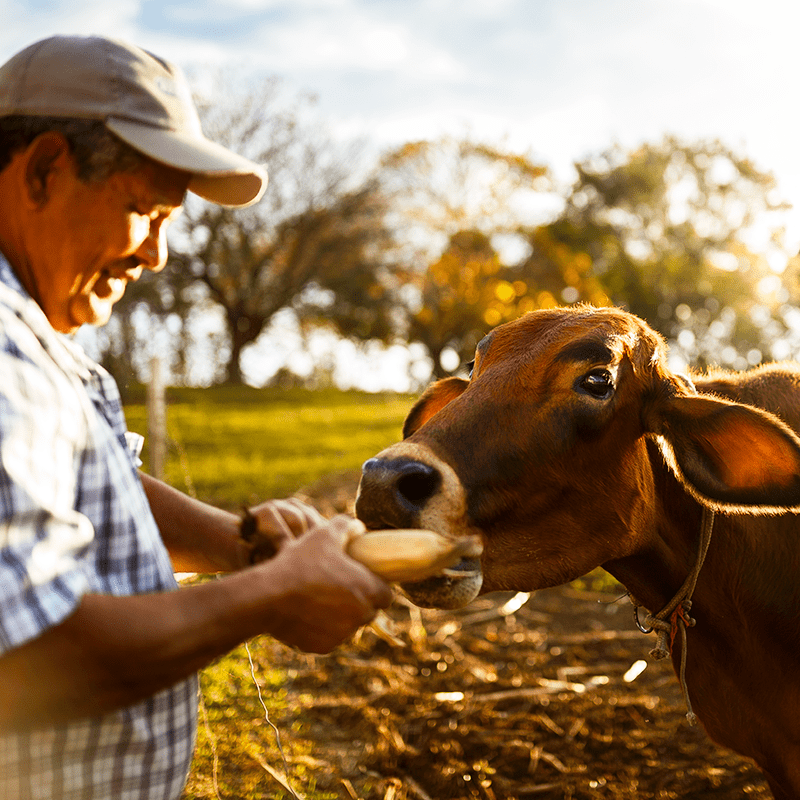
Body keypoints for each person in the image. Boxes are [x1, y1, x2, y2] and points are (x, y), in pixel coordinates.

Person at [0, 34, 393, 800]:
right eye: (145, 210)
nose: (158, 255)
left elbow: (90, 489)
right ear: (45, 168)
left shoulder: (37, 337)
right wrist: (271, 597)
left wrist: (243, 549)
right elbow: (31, 655)